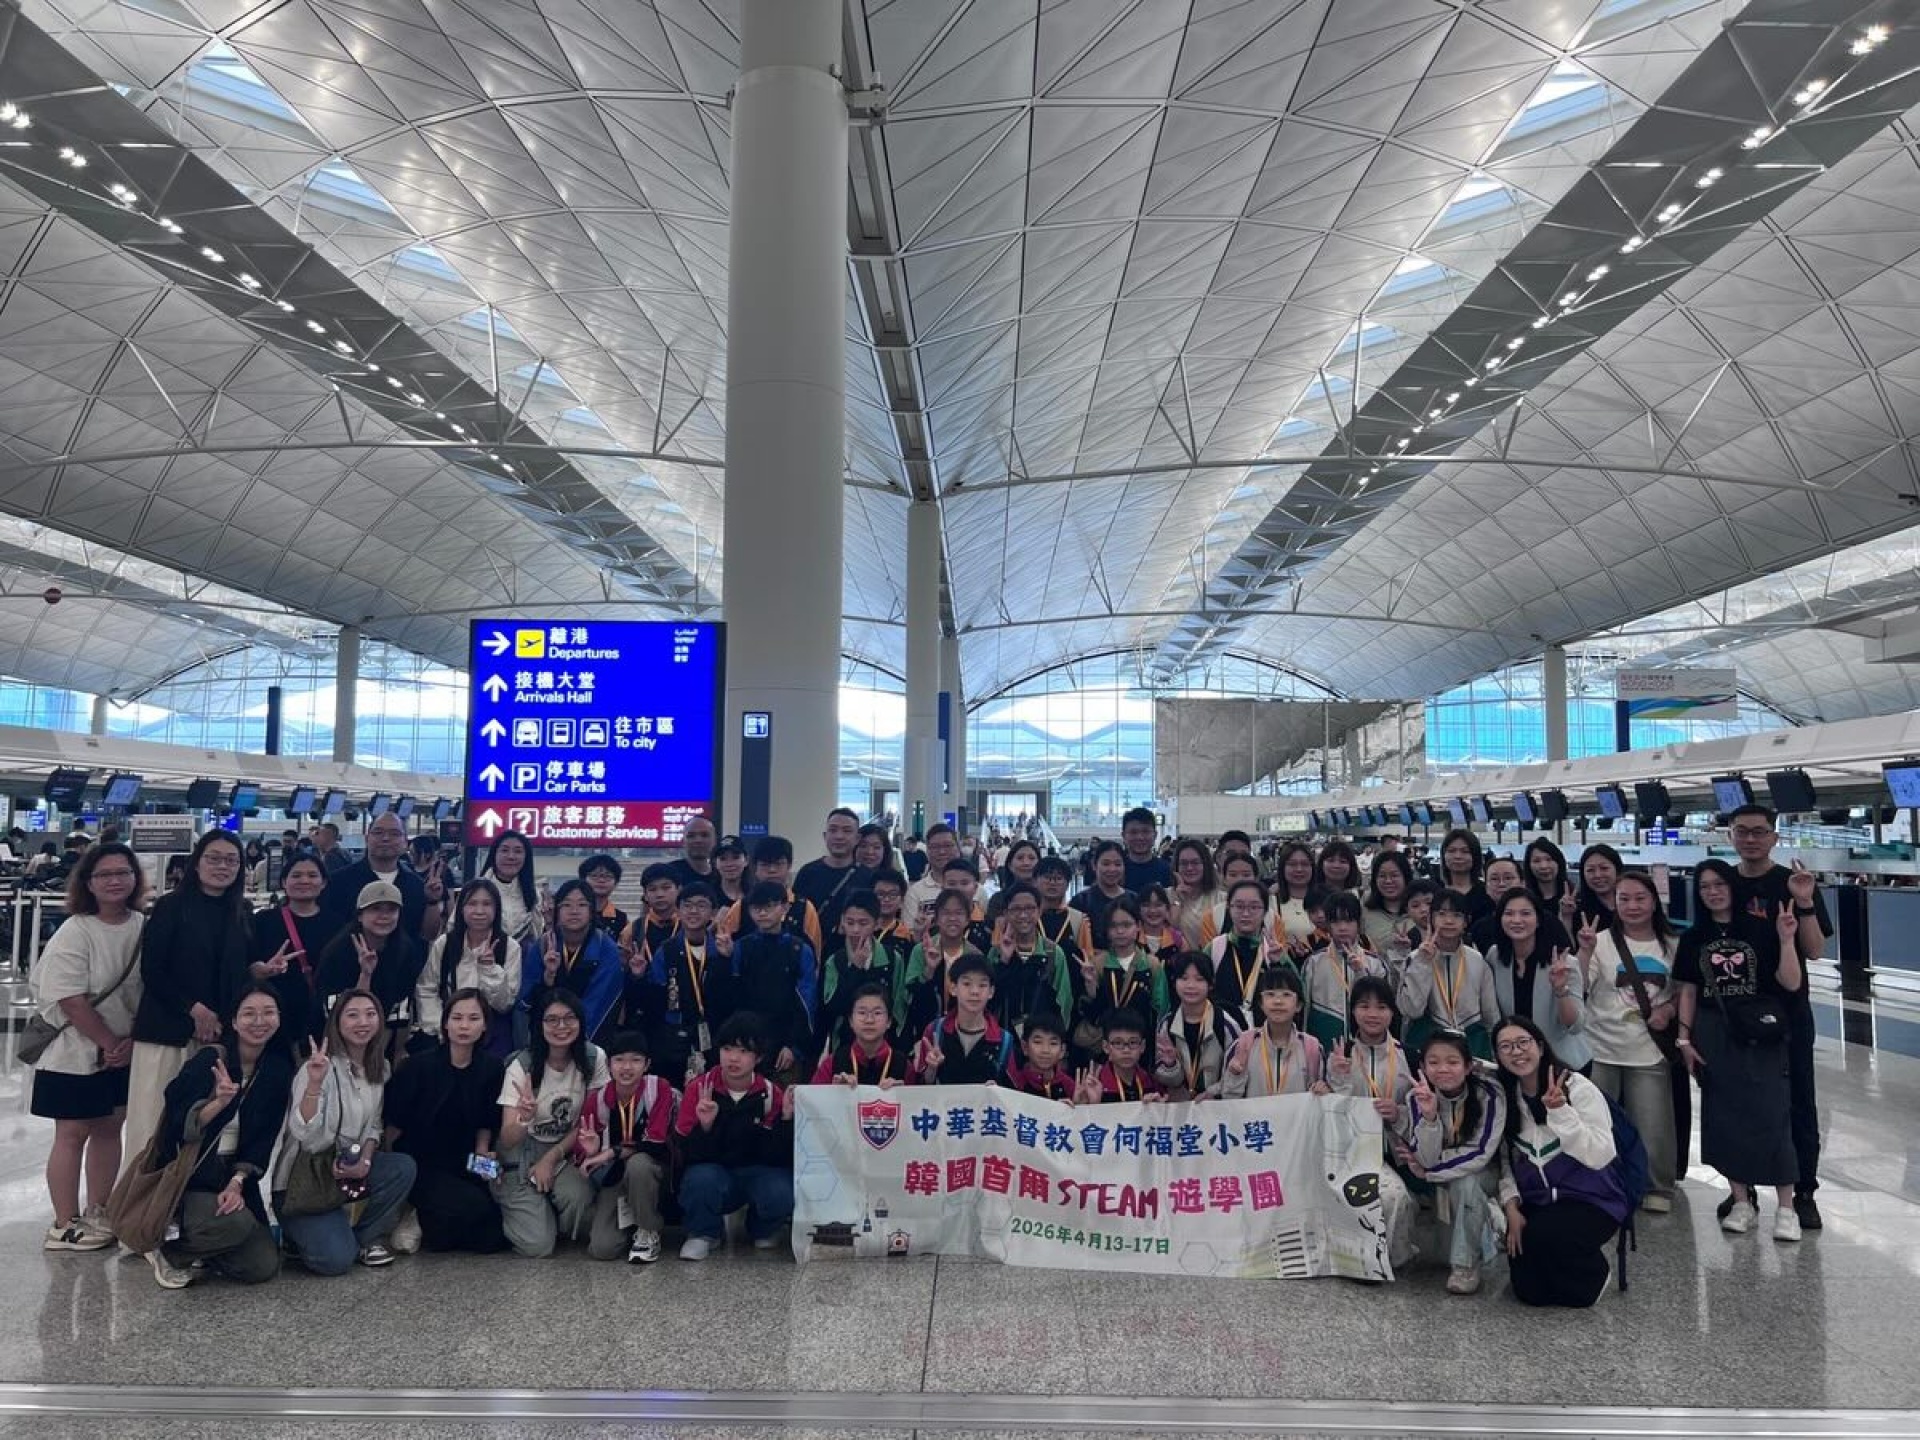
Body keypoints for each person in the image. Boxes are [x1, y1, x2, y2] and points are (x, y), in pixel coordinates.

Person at [1675, 859, 1804, 1241]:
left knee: (1772, 1112)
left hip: (1760, 1027)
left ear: (1733, 886)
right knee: (1724, 1115)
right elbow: (1688, 991)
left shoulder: (1761, 928)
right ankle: (1742, 1201)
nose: (1713, 892)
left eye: (1719, 884)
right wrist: (1684, 1039)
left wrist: (1786, 940)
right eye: (1705, 886)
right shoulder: (1693, 937)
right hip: (1714, 1030)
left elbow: (1790, 982)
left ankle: (1787, 1208)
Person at [31, 842, 146, 1252]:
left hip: (123, 1049)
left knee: (109, 1127)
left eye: (123, 872)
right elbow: (70, 999)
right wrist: (110, 1043)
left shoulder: (143, 926)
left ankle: (100, 1209)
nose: (115, 881)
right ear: (89, 883)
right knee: (72, 1132)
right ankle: (64, 1223)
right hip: (73, 1050)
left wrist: (127, 1043)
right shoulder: (75, 931)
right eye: (104, 874)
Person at [144, 984, 297, 1288]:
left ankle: (209, 1247)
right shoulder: (209, 1061)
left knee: (261, 1266)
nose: (259, 1021)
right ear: (234, 1022)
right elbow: (175, 1126)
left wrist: (237, 1181)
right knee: (237, 1223)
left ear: (279, 1019)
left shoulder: (277, 1070)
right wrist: (218, 1104)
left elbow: (263, 1140)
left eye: (268, 1012)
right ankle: (171, 1251)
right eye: (249, 1014)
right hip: (192, 1176)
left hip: (233, 1176)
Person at [123, 829, 254, 1180]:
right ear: (197, 863)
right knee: (152, 1125)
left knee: (199, 1128)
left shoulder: (241, 911)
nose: (222, 866)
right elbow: (153, 970)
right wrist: (194, 1010)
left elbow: (236, 972)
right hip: (166, 1033)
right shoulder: (171, 906)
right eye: (214, 858)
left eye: (231, 860)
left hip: (215, 1038)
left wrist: (256, 973)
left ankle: (183, 1204)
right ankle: (137, 1203)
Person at [1723, 804, 1830, 1229]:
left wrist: (1804, 903)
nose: (1750, 839)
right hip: (1736, 1010)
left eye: (1759, 831)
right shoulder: (1722, 883)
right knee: (1741, 1100)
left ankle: (1804, 1191)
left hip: (1789, 1010)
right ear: (1730, 835)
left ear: (1775, 837)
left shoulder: (1795, 882)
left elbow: (1815, 950)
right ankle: (1742, 1187)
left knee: (1798, 1100)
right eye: (1742, 831)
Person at [275, 990, 416, 1273]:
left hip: (348, 1168)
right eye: (352, 1015)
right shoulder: (318, 1067)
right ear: (337, 1022)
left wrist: (365, 1159)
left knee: (402, 1167)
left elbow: (374, 1125)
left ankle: (362, 1238)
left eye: (370, 1014)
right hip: (307, 1177)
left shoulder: (380, 1067)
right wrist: (315, 1085)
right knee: (335, 1261)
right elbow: (303, 1133)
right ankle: (302, 1236)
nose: (362, 1022)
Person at [1492, 1016, 1627, 1307]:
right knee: (1528, 1291)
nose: (1516, 1052)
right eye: (1506, 1046)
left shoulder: (1577, 1087)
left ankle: (1596, 1272)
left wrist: (1561, 1112)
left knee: (1550, 1242)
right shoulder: (1505, 1096)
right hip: (1537, 1200)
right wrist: (1511, 1207)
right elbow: (1505, 1162)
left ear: (1540, 1047)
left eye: (1523, 1042)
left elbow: (1601, 1154)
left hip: (1592, 1198)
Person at [1577, 870, 1678, 1213]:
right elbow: (1579, 986)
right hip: (1600, 1047)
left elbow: (1684, 991)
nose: (1632, 906)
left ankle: (1657, 1186)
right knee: (1596, 1121)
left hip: (1648, 1049)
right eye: (1624, 899)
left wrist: (1668, 1009)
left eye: (1640, 898)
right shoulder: (1599, 941)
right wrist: (1584, 952)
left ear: (1654, 902)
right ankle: (1596, 1182)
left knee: (1653, 1124)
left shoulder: (1672, 944)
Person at [382, 988, 509, 1254]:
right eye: (457, 1018)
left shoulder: (492, 1067)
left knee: (491, 1238)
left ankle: (430, 1220)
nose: (464, 1026)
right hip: (421, 1161)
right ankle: (412, 1211)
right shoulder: (418, 1066)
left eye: (473, 1018)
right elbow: (394, 1124)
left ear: (485, 1025)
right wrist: (396, 1172)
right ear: (445, 1023)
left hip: (465, 1159)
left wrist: (483, 1157)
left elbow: (486, 1122)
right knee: (469, 1210)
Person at [495, 990, 609, 1257]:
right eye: (552, 1020)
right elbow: (508, 1138)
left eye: (569, 1018)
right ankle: (518, 1207)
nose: (561, 1027)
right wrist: (524, 1118)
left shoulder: (593, 1058)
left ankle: (546, 1210)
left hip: (564, 1150)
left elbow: (589, 1121)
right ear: (539, 1024)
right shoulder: (521, 1065)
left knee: (578, 1198)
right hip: (521, 1151)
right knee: (538, 1246)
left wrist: (551, 1158)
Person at [673, 1011, 794, 1260]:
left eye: (743, 1051)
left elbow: (778, 1156)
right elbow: (684, 1152)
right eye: (727, 1049)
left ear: (758, 1057)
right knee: (700, 1179)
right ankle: (704, 1233)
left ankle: (762, 1228)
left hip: (755, 1172)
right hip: (715, 1173)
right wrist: (705, 1127)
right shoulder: (699, 1088)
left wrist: (785, 1120)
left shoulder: (772, 1094)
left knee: (782, 1190)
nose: (733, 1058)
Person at [1403, 1027, 1507, 1295]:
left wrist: (1429, 1172)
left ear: (1468, 1066)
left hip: (1485, 1173)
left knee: (1466, 1184)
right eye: (1433, 1062)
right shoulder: (1416, 1096)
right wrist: (1429, 1117)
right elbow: (1425, 1156)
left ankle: (1465, 1267)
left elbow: (1481, 1152)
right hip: (1442, 1178)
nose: (1443, 1069)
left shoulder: (1489, 1094)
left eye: (1452, 1062)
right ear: (1423, 1066)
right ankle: (1491, 1223)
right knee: (1441, 1255)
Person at [1325, 976, 1415, 1270]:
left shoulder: (1408, 1055)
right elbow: (1331, 1114)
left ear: (1392, 1012)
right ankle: (1359, 1259)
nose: (1372, 1014)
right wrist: (1337, 1081)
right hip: (1350, 1151)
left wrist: (1398, 1114)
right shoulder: (1339, 1054)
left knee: (1393, 1197)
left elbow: (1421, 1110)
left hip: (1394, 1151)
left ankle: (1389, 1260)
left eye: (1381, 1007)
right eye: (1364, 1006)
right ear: (1352, 1011)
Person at [574, 1030, 676, 1264]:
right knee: (602, 1249)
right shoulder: (598, 1100)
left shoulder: (659, 1089)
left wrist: (612, 1152)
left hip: (653, 1172)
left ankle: (648, 1230)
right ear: (609, 1065)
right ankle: (631, 1224)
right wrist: (592, 1152)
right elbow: (584, 1156)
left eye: (635, 1060)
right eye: (619, 1060)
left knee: (638, 1164)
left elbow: (655, 1141)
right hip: (616, 1176)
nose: (627, 1067)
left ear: (647, 1064)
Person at [713, 880, 818, 1082]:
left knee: (783, 1097)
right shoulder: (741, 947)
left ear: (785, 907)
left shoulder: (799, 949)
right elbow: (728, 997)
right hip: (746, 1042)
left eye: (769, 907)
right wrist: (724, 959)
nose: (762, 913)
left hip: (785, 1042)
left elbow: (807, 1003)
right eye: (756, 908)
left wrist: (794, 1046)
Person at [314, 882, 427, 1061]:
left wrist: (388, 1053)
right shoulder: (336, 953)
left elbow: (401, 1010)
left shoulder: (406, 951)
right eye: (375, 909)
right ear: (360, 915)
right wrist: (366, 974)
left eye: (391, 910)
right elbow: (338, 1014)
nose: (384, 916)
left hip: (383, 1042)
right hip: (336, 1043)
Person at [1486, 889, 1588, 1072]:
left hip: (1560, 1062)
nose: (1517, 920)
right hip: (1515, 1061)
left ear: (1539, 919)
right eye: (1509, 913)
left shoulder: (1564, 962)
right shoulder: (1495, 956)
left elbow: (1575, 1026)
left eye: (1525, 913)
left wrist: (1560, 991)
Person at [417, 878, 521, 1054]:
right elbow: (427, 989)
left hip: (492, 1039)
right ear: (461, 908)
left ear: (497, 909)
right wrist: (441, 1027)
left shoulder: (510, 947)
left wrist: (489, 969)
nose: (479, 911)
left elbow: (504, 1004)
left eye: (487, 904)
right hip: (447, 1035)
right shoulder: (445, 944)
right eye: (472, 904)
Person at [248, 852, 343, 1045]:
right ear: (284, 882)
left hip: (324, 1019)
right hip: (275, 1018)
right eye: (296, 875)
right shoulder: (263, 922)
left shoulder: (338, 924)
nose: (304, 881)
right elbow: (247, 966)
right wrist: (262, 970)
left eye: (312, 875)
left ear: (324, 883)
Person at [518, 878, 623, 1045]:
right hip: (546, 1037)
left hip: (587, 1040)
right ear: (557, 911)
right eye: (566, 905)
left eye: (582, 905)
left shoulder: (606, 948)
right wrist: (548, 977)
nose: (574, 911)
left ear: (592, 911)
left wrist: (572, 1038)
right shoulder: (543, 945)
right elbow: (526, 1000)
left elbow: (599, 1001)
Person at [638, 881, 722, 1083]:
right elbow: (654, 999)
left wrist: (726, 961)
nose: (693, 911)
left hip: (713, 1035)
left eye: (701, 905)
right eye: (687, 905)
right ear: (678, 910)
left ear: (713, 912)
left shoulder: (722, 949)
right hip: (674, 1038)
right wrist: (638, 977)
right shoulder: (666, 950)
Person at [1397, 892, 1498, 1060]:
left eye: (1456, 915)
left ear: (1466, 922)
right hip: (1428, 1043)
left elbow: (1491, 1014)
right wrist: (1423, 964)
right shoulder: (1415, 958)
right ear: (1431, 919)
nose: (1449, 921)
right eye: (1441, 914)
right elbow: (1411, 1010)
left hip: (1471, 1043)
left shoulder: (1477, 959)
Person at [325, 812, 446, 943]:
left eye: (394, 833)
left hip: (406, 956)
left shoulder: (416, 885)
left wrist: (432, 901)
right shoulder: (338, 882)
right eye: (378, 832)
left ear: (405, 842)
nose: (386, 838)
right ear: (367, 838)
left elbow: (429, 935)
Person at [1072, 895, 1167, 1059]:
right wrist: (1091, 986)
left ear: (1138, 926)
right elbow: (1088, 1011)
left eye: (1126, 925)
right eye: (1113, 926)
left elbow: (1161, 1009)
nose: (1120, 931)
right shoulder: (1097, 964)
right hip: (1104, 1047)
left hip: (1140, 1048)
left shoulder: (1151, 965)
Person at [1220, 966, 1325, 1099]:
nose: (1278, 1001)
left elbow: (1320, 1099)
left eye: (1286, 995)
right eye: (1270, 994)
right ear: (1261, 1004)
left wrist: (1322, 1090)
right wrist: (1234, 1076)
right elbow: (1228, 1100)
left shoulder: (1311, 1047)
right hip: (1255, 1113)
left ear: (1298, 1005)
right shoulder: (1244, 1044)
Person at [1300, 892, 1386, 1050]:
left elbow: (1384, 1005)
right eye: (1336, 921)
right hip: (1325, 1043)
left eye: (1349, 921)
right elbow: (1304, 1011)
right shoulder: (1313, 963)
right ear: (1328, 925)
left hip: (1367, 1046)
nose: (1342, 927)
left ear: (1359, 923)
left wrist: (1360, 972)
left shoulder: (1375, 963)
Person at [910, 954, 1014, 1084]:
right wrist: (931, 1068)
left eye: (982, 985)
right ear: (953, 988)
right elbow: (918, 1087)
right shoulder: (935, 1031)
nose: (975, 991)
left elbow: (1013, 1092)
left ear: (991, 992)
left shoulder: (1004, 1041)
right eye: (967, 984)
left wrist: (998, 1090)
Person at [1152, 951, 1241, 1101]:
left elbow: (1237, 1074)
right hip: (1180, 1107)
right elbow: (1163, 1077)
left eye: (1199, 979)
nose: (1191, 985)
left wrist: (1213, 1092)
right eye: (1184, 978)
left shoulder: (1225, 1025)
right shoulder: (1167, 1024)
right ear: (1174, 982)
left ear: (1210, 984)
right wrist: (1170, 1065)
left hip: (1216, 1105)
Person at [988, 881, 1074, 1036]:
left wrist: (1057, 1038)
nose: (1023, 915)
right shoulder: (996, 952)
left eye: (1029, 908)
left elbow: (1064, 1001)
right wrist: (1004, 961)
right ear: (1006, 913)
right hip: (1004, 1037)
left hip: (1042, 1040)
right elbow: (989, 997)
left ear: (1039, 910)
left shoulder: (1053, 953)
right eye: (1016, 909)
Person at [818, 890, 900, 1053]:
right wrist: (855, 969)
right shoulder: (835, 960)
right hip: (844, 1045)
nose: (855, 929)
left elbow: (899, 1007)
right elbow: (830, 1008)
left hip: (886, 1045)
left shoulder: (892, 958)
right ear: (842, 921)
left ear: (876, 923)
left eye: (863, 923)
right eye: (850, 922)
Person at [896, 888, 979, 1039]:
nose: (952, 918)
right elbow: (908, 996)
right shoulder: (921, 950)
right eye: (946, 913)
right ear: (937, 918)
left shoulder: (975, 955)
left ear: (968, 919)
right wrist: (929, 970)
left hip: (963, 1029)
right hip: (925, 1028)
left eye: (959, 913)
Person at [1207, 878, 1289, 1023]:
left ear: (1265, 911)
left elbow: (1294, 994)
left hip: (1265, 1031)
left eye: (1254, 907)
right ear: (1228, 908)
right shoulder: (1215, 948)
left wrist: (1278, 964)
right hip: (1222, 1028)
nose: (1246, 913)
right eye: (1239, 906)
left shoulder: (1273, 950)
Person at [793, 807, 869, 942]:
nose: (839, 836)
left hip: (851, 949)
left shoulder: (867, 876)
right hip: (810, 947)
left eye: (847, 831)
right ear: (825, 836)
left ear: (857, 838)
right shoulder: (807, 872)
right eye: (833, 830)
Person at [812, 983, 911, 1086]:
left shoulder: (904, 1066)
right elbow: (811, 1094)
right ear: (851, 1021)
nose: (869, 1020)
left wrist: (901, 1093)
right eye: (862, 1013)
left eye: (877, 1013)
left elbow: (918, 1094)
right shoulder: (833, 1063)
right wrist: (834, 1091)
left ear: (889, 1021)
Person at [1074, 1009, 1165, 1103]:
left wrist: (1158, 1106)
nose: (1126, 1050)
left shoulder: (1152, 1083)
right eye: (1118, 1043)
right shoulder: (1095, 1083)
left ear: (1142, 1046)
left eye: (1133, 1042)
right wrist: (1091, 1104)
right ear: (1106, 1047)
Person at [1067, 840, 1131, 954]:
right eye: (1106, 864)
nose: (1112, 869)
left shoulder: (1133, 899)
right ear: (1094, 865)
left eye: (1117, 864)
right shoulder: (1080, 901)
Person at [1361, 850, 1417, 967]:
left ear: (1406, 877)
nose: (1388, 881)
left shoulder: (1419, 911)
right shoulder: (1364, 910)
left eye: (1394, 875)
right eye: (1382, 876)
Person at [1004, 1012, 1075, 1099]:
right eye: (1038, 1042)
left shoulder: (1070, 1087)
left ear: (1062, 1051)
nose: (1045, 1050)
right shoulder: (1013, 1083)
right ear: (1025, 1047)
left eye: (1053, 1043)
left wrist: (1078, 1104)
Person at [1168, 838, 1219, 949]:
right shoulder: (1165, 896)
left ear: (1205, 864)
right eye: (1184, 863)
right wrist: (1177, 901)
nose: (1189, 868)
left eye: (1195, 863)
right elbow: (1166, 933)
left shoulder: (1221, 898)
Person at [1523, 838, 1580, 935]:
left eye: (1549, 859)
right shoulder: (1524, 899)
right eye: (1536, 861)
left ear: (1559, 862)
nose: (1544, 866)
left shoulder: (1575, 898)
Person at [903, 824, 963, 915]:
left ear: (958, 848)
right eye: (935, 847)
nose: (942, 852)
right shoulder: (915, 893)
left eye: (948, 845)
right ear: (927, 851)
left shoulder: (975, 890)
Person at [1436, 829, 1491, 927]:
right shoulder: (1435, 890)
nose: (1458, 856)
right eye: (1451, 851)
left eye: (1465, 851)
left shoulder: (1487, 892)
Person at [1119, 806, 1170, 893]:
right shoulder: (1115, 871)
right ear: (1123, 836)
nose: (1140, 837)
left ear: (1155, 835)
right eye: (1133, 832)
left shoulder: (1167, 871)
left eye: (1145, 832)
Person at [578, 855, 628, 941]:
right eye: (594, 876)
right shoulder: (572, 912)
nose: (601, 880)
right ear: (583, 880)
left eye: (607, 876)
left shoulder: (622, 919)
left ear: (616, 883)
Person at [664, 815, 719, 892]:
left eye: (704, 835)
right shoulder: (669, 873)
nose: (698, 840)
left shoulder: (722, 875)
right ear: (683, 841)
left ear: (715, 840)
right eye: (691, 836)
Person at [1575, 843, 1624, 926]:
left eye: (1604, 868)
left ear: (1617, 869)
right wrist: (1566, 916)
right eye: (1590, 870)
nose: (1597, 875)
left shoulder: (1631, 903)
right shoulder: (1576, 908)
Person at [711, 834, 749, 908]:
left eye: (735, 857)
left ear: (746, 860)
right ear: (715, 863)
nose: (729, 864)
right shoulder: (708, 895)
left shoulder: (755, 894)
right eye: (723, 859)